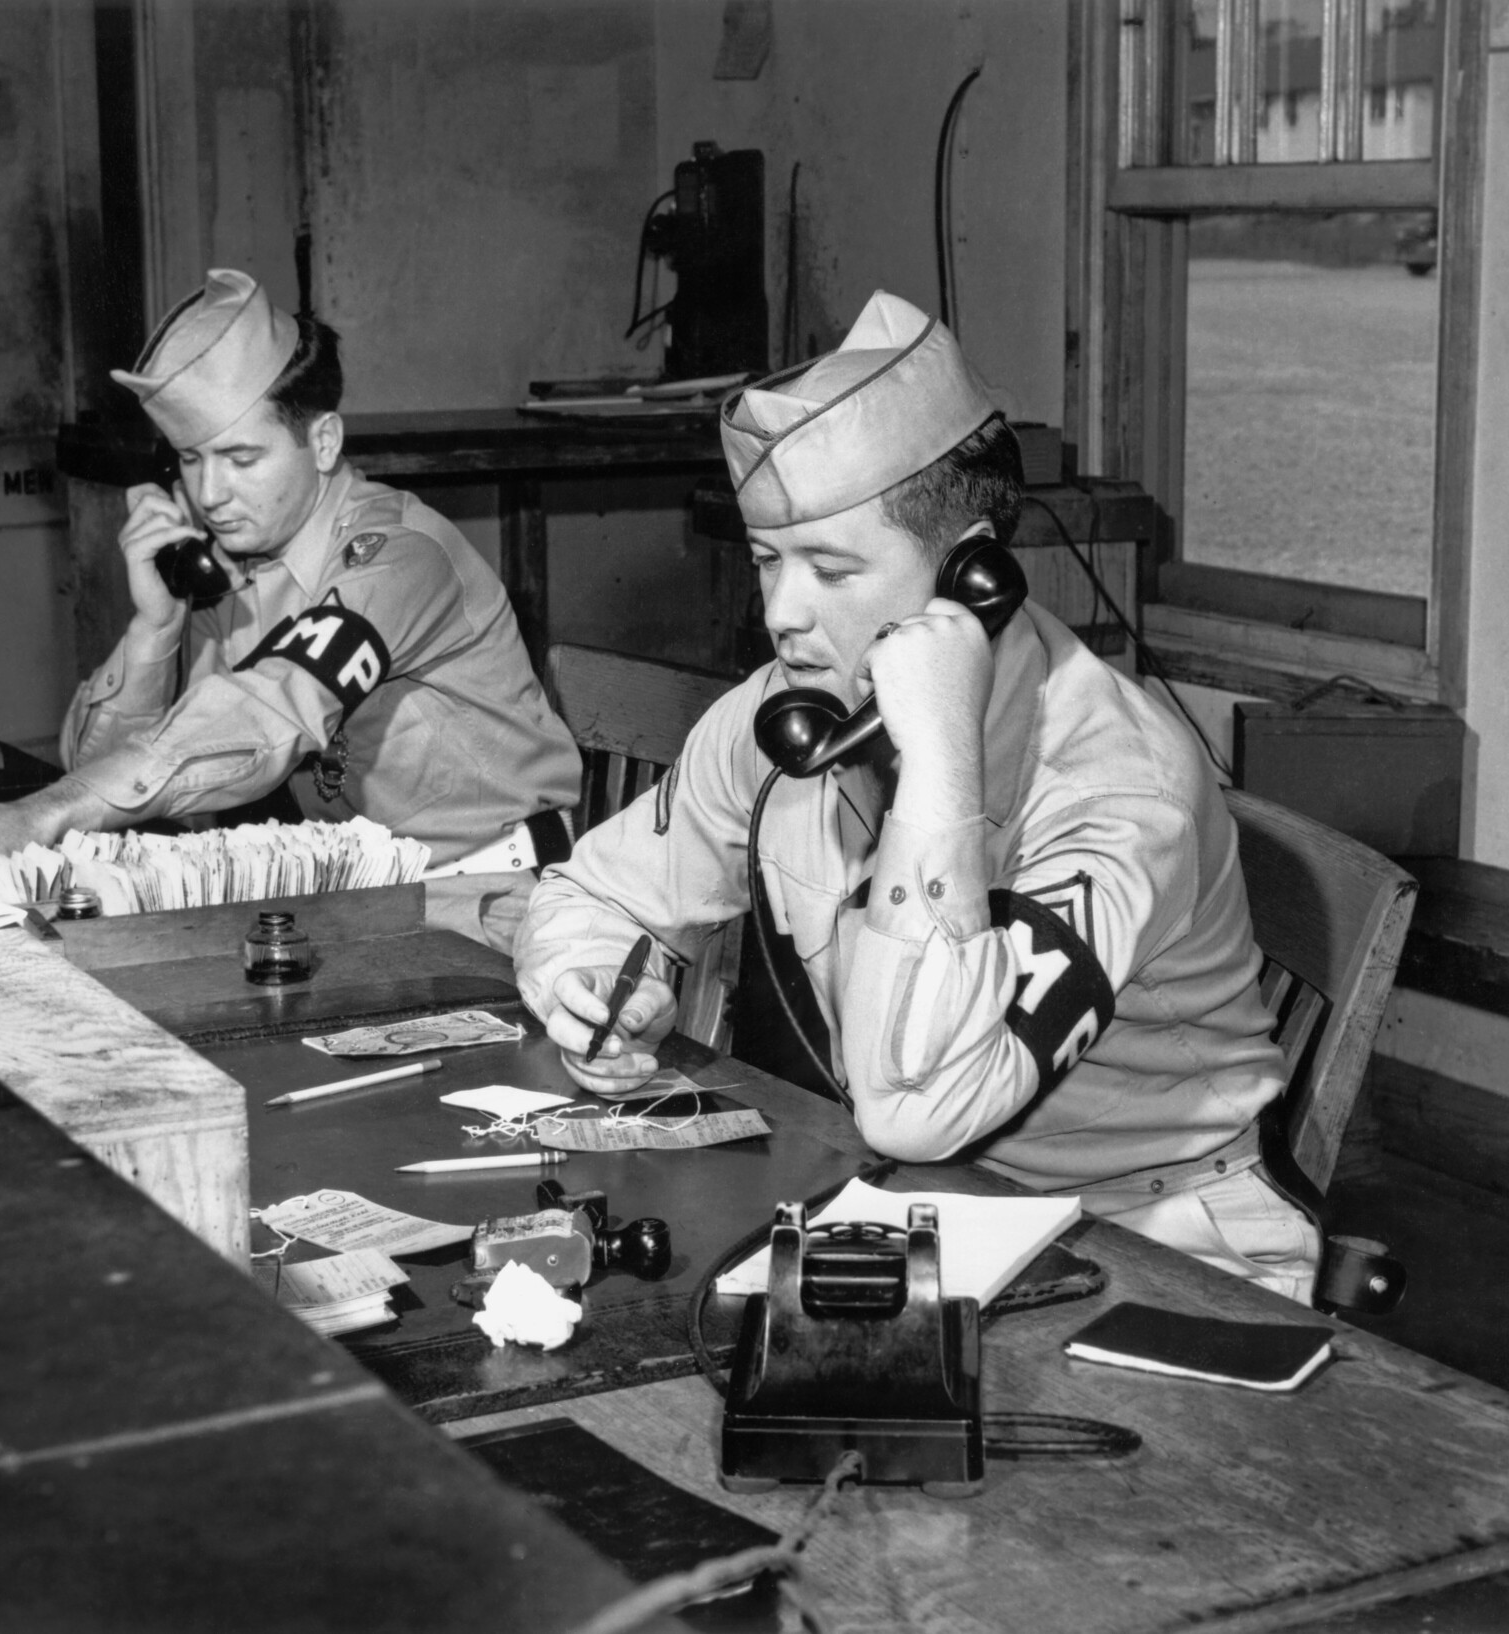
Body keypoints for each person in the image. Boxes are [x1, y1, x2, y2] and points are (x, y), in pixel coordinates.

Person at [511, 291, 1320, 1302]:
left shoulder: (1114, 788)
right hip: (910, 1201)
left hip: (1155, 1239)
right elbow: (593, 895)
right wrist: (595, 986)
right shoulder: (791, 707)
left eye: (829, 567)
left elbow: (917, 1103)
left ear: (969, 568)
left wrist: (936, 765)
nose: (778, 614)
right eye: (766, 561)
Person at [0, 269, 581, 908]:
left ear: (322, 443)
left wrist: (38, 814)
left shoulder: (397, 560)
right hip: (358, 898)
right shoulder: (233, 564)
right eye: (192, 460)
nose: (210, 493)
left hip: (495, 900)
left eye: (242, 459)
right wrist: (156, 630)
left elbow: (263, 713)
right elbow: (113, 785)